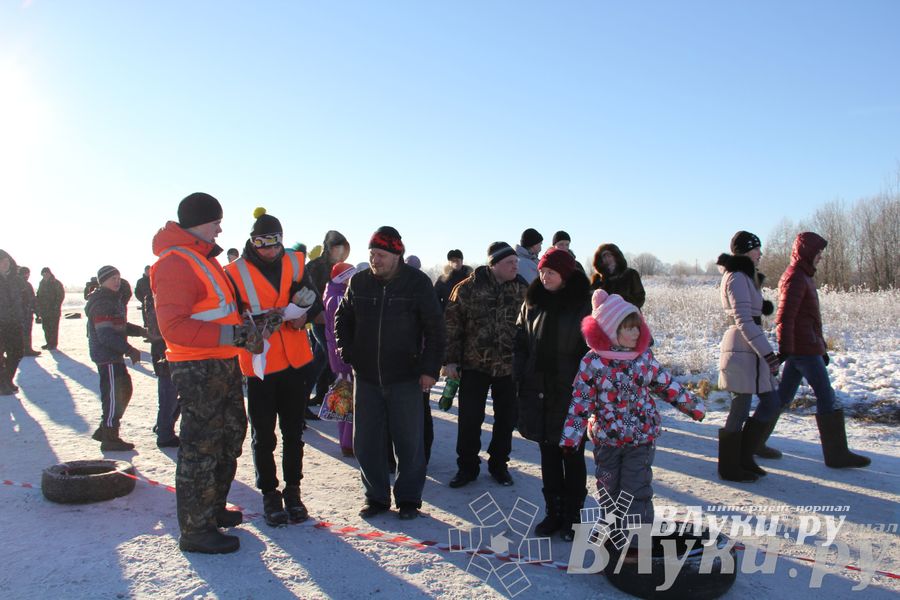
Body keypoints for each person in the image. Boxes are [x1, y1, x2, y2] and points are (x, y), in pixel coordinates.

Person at [151, 192, 263, 554]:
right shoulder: (175, 262)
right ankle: (196, 530)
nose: (219, 228)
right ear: (198, 221)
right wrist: (233, 334)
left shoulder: (202, 259)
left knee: (230, 435)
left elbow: (221, 309)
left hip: (223, 361)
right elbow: (174, 327)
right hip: (197, 367)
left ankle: (212, 509)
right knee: (201, 446)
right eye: (215, 220)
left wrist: (247, 327)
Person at [560, 290, 706, 523]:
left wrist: (693, 407)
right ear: (611, 330)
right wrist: (571, 438)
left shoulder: (643, 358)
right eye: (629, 328)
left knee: (635, 489)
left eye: (638, 327)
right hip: (606, 438)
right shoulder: (593, 361)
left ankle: (637, 542)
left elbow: (666, 384)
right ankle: (614, 537)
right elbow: (581, 401)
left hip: (640, 437)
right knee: (608, 489)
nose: (636, 333)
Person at [335, 226, 445, 520]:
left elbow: (435, 329)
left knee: (409, 442)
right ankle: (376, 498)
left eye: (381, 255)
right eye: (371, 254)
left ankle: (409, 499)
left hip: (406, 376)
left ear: (397, 254)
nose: (375, 260)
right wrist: (348, 352)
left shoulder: (417, 284)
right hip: (367, 377)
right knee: (366, 442)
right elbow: (342, 318)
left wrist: (429, 369)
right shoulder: (358, 283)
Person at [224, 208, 321, 527]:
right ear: (252, 241)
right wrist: (255, 326)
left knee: (294, 432)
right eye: (262, 242)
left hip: (295, 359)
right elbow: (231, 314)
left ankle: (293, 491)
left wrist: (302, 314)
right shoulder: (234, 271)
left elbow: (311, 300)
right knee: (263, 435)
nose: (269, 249)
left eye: (274, 242)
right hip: (260, 363)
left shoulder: (296, 261)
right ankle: (270, 494)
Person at [774, 232, 870, 469]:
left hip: (805, 346)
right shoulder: (796, 277)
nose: (821, 258)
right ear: (808, 253)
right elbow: (785, 316)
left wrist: (819, 347)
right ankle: (837, 455)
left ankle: (752, 442)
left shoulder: (802, 275)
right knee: (826, 396)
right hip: (803, 349)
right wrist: (785, 349)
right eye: (818, 253)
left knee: (783, 397)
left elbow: (807, 318)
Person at [516, 248, 591, 540]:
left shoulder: (583, 305)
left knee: (571, 454)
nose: (544, 277)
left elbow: (590, 351)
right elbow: (520, 341)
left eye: (551, 272)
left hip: (571, 392)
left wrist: (584, 386)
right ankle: (553, 513)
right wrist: (519, 374)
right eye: (542, 271)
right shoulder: (532, 302)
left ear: (565, 274)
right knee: (547, 453)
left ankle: (573, 516)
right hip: (539, 390)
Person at [444, 241, 527, 488]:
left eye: (516, 262)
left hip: (508, 367)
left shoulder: (522, 289)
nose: (515, 266)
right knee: (470, 420)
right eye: (510, 262)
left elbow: (530, 329)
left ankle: (499, 465)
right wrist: (449, 360)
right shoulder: (467, 288)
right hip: (473, 365)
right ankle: (467, 468)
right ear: (494, 265)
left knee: (505, 419)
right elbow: (451, 326)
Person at [715, 231, 782, 483]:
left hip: (749, 349)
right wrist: (768, 353)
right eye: (757, 249)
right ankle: (730, 466)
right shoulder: (736, 277)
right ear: (745, 251)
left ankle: (744, 456)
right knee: (740, 408)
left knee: (771, 402)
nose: (760, 254)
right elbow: (744, 320)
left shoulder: (747, 276)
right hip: (742, 349)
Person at [85, 265, 145, 451]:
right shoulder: (102, 302)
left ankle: (106, 429)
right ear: (103, 281)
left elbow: (120, 325)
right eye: (112, 279)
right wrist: (128, 349)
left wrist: (142, 331)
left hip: (113, 354)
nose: (117, 281)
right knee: (114, 395)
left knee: (123, 390)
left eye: (118, 277)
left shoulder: (112, 299)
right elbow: (106, 334)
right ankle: (109, 435)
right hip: (107, 356)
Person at [305, 230, 350, 408]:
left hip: (335, 321)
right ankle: (306, 403)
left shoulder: (339, 267)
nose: (340, 253)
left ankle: (319, 396)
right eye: (338, 248)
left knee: (321, 361)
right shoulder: (315, 266)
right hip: (320, 320)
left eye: (343, 249)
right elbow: (309, 291)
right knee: (329, 362)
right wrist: (318, 313)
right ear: (329, 248)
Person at [323, 262, 357, 456]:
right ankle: (348, 442)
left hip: (339, 354)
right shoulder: (337, 297)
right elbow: (342, 329)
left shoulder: (333, 292)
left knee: (345, 395)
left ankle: (348, 441)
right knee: (347, 398)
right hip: (342, 356)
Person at [144, 291, 180, 449]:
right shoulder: (158, 301)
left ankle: (164, 426)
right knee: (168, 396)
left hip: (171, 352)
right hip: (164, 353)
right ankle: (165, 433)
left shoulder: (164, 299)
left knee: (176, 394)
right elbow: (158, 331)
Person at [0, 250, 26, 395]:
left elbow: (24, 297)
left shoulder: (15, 280)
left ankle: (6, 380)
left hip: (14, 321)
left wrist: (23, 311)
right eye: (2, 262)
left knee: (17, 352)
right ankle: (2, 384)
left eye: (7, 261)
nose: (5, 264)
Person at [590, 244, 646, 309]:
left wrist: (624, 306)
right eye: (604, 257)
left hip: (628, 315)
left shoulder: (631, 274)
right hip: (606, 317)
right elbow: (592, 300)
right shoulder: (598, 278)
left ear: (616, 257)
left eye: (609, 256)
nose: (607, 259)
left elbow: (639, 297)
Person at [36, 267, 65, 350]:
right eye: (43, 274)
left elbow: (60, 296)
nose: (45, 275)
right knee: (46, 328)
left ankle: (53, 344)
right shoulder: (41, 283)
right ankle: (48, 342)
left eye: (46, 273)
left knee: (53, 328)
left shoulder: (56, 283)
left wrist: (56, 306)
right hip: (44, 310)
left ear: (49, 273)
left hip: (53, 310)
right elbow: (39, 295)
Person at [18, 266, 41, 357]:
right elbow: (31, 299)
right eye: (27, 273)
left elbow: (32, 299)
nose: (28, 275)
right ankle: (25, 349)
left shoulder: (25, 284)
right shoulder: (23, 284)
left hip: (25, 312)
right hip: (24, 312)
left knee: (24, 332)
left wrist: (36, 311)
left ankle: (26, 349)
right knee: (24, 332)